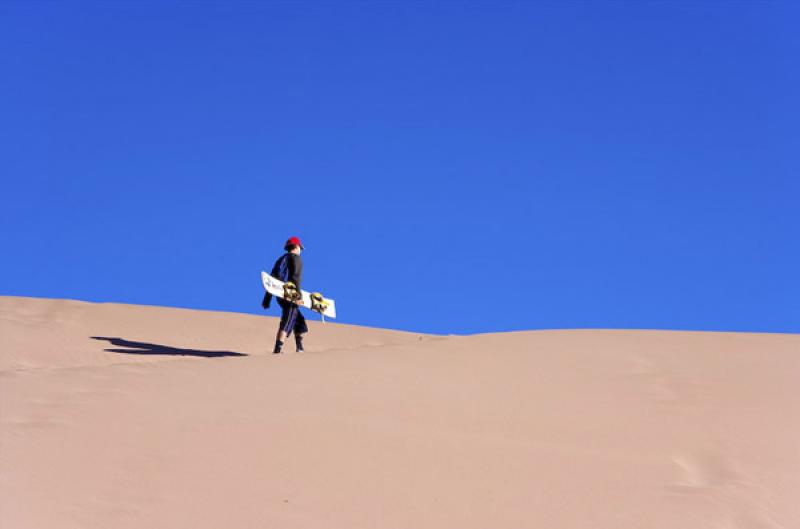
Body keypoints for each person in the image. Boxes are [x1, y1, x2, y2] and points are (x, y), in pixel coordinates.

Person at [262, 236, 308, 354]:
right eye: (300, 248)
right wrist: (297, 296)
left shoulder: (280, 260)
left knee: (298, 319)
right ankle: (277, 350)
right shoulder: (296, 258)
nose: (300, 251)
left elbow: (272, 281)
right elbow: (296, 277)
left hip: (279, 296)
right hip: (290, 295)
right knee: (288, 318)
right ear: (297, 247)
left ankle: (299, 347)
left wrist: (267, 299)